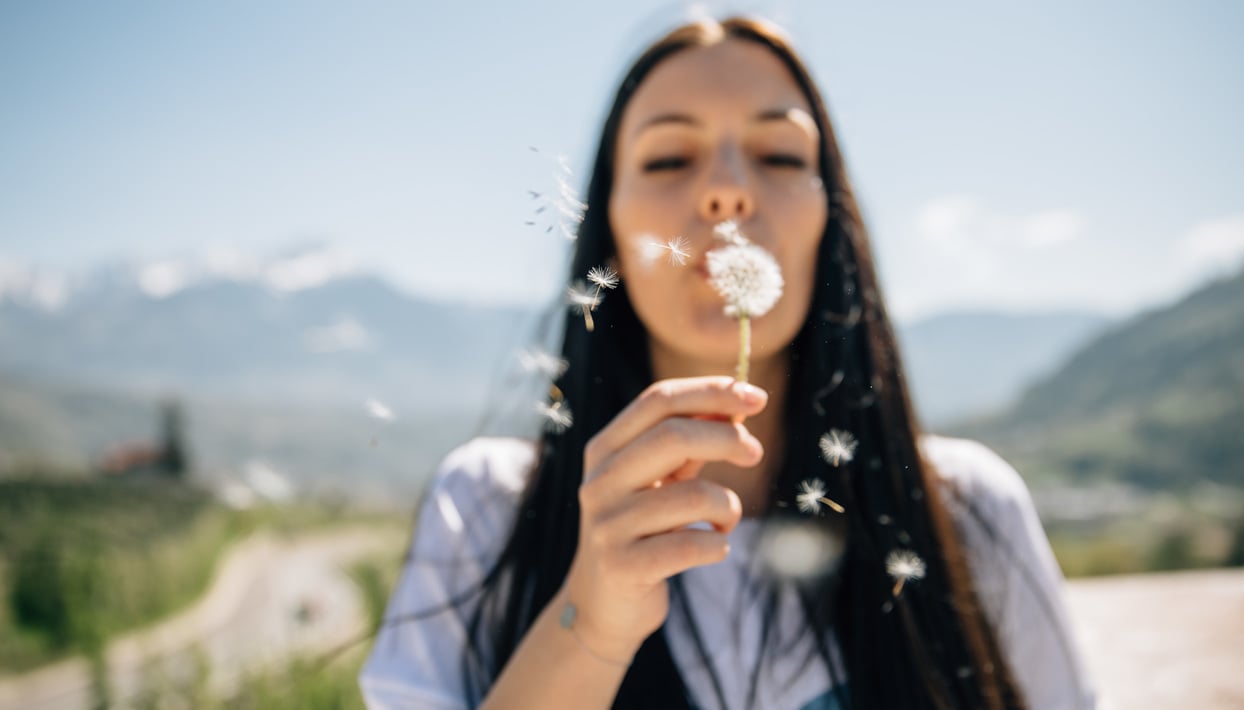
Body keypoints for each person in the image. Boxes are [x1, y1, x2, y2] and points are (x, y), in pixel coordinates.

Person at [360, 15, 1095, 710]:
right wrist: (591, 621)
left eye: (780, 155)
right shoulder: (486, 510)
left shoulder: (969, 513)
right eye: (669, 158)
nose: (728, 192)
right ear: (609, 233)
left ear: (831, 219)